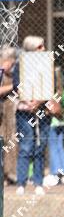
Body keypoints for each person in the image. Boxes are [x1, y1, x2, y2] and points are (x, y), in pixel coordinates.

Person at [14, 36, 50, 196]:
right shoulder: (20, 65)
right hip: (24, 111)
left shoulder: (47, 65)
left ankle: (38, 183)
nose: (43, 49)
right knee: (26, 146)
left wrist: (38, 102)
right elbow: (17, 85)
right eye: (40, 47)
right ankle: (21, 183)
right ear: (31, 48)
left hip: (42, 111)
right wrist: (28, 101)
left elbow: (50, 86)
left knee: (40, 147)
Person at [45, 66, 64, 186]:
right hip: (61, 122)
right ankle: (63, 169)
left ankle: (55, 172)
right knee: (60, 146)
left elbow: (50, 109)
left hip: (52, 123)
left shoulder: (51, 93)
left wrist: (47, 111)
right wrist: (62, 111)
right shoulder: (63, 93)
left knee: (53, 147)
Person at [0, 47, 18, 185]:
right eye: (8, 62)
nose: (10, 65)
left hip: (12, 114)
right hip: (1, 114)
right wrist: (13, 86)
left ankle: (11, 174)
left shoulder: (14, 73)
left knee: (12, 142)